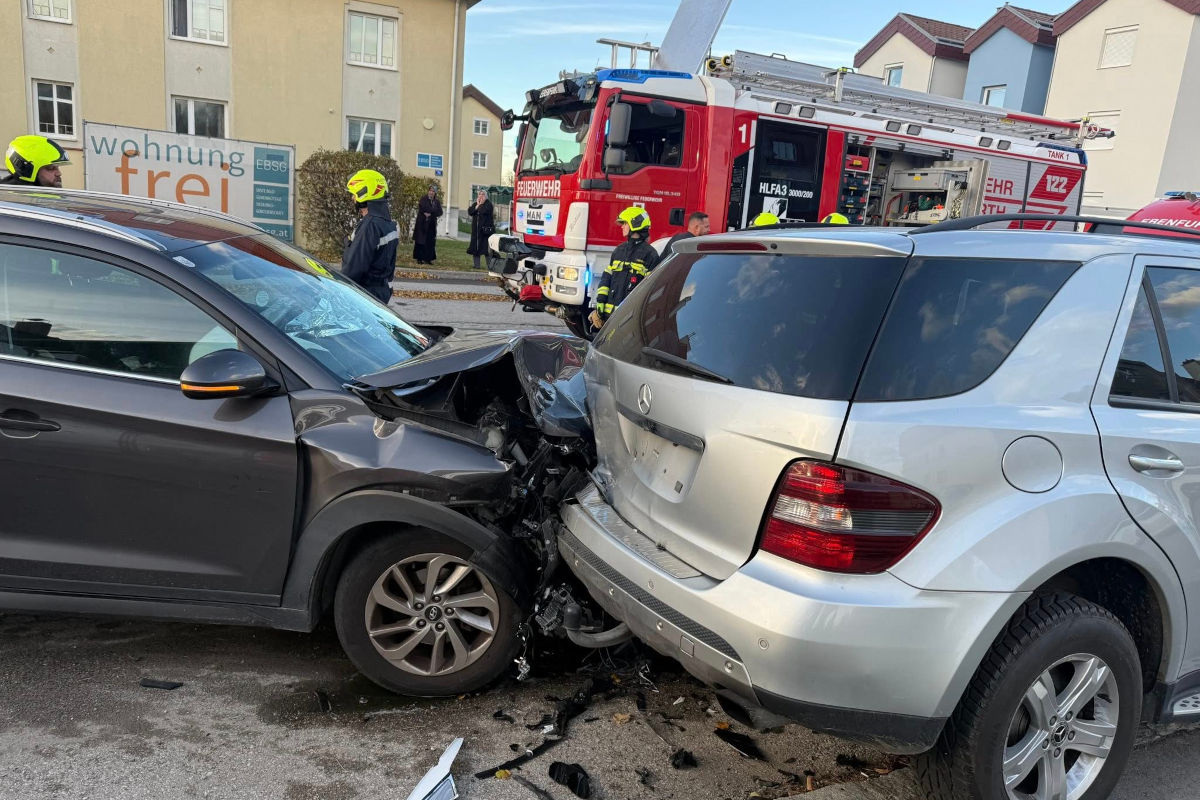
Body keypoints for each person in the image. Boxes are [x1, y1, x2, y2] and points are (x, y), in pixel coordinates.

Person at [589, 207, 660, 329]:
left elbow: (649, 290)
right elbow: (607, 278)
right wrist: (600, 302)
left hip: (629, 321)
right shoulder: (619, 251)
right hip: (608, 318)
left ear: (635, 224)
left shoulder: (650, 255)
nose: (622, 226)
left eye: (625, 223)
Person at [342, 169, 399, 304]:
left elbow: (353, 269)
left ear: (364, 193)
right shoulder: (388, 223)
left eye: (354, 194)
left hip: (363, 296)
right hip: (380, 293)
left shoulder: (370, 226)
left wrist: (338, 291)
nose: (352, 198)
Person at [0, 135, 70, 187]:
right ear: (27, 170)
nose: (59, 173)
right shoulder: (16, 200)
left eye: (57, 167)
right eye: (51, 168)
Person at [412, 185, 442, 265]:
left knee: (430, 242)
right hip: (422, 224)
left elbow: (440, 212)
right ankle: (419, 258)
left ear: (435, 193)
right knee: (420, 241)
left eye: (433, 191)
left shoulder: (436, 202)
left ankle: (428, 259)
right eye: (430, 191)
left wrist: (431, 213)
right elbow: (423, 208)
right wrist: (432, 211)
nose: (431, 192)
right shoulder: (423, 199)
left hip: (431, 225)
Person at [466, 189, 495, 270]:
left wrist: (480, 205)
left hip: (485, 231)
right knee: (475, 247)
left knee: (487, 249)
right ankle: (477, 265)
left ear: (486, 196)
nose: (481, 196)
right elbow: (470, 212)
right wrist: (477, 205)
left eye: (483, 194)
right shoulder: (476, 204)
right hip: (476, 231)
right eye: (480, 194)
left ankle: (490, 266)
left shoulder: (488, 204)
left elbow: (483, 211)